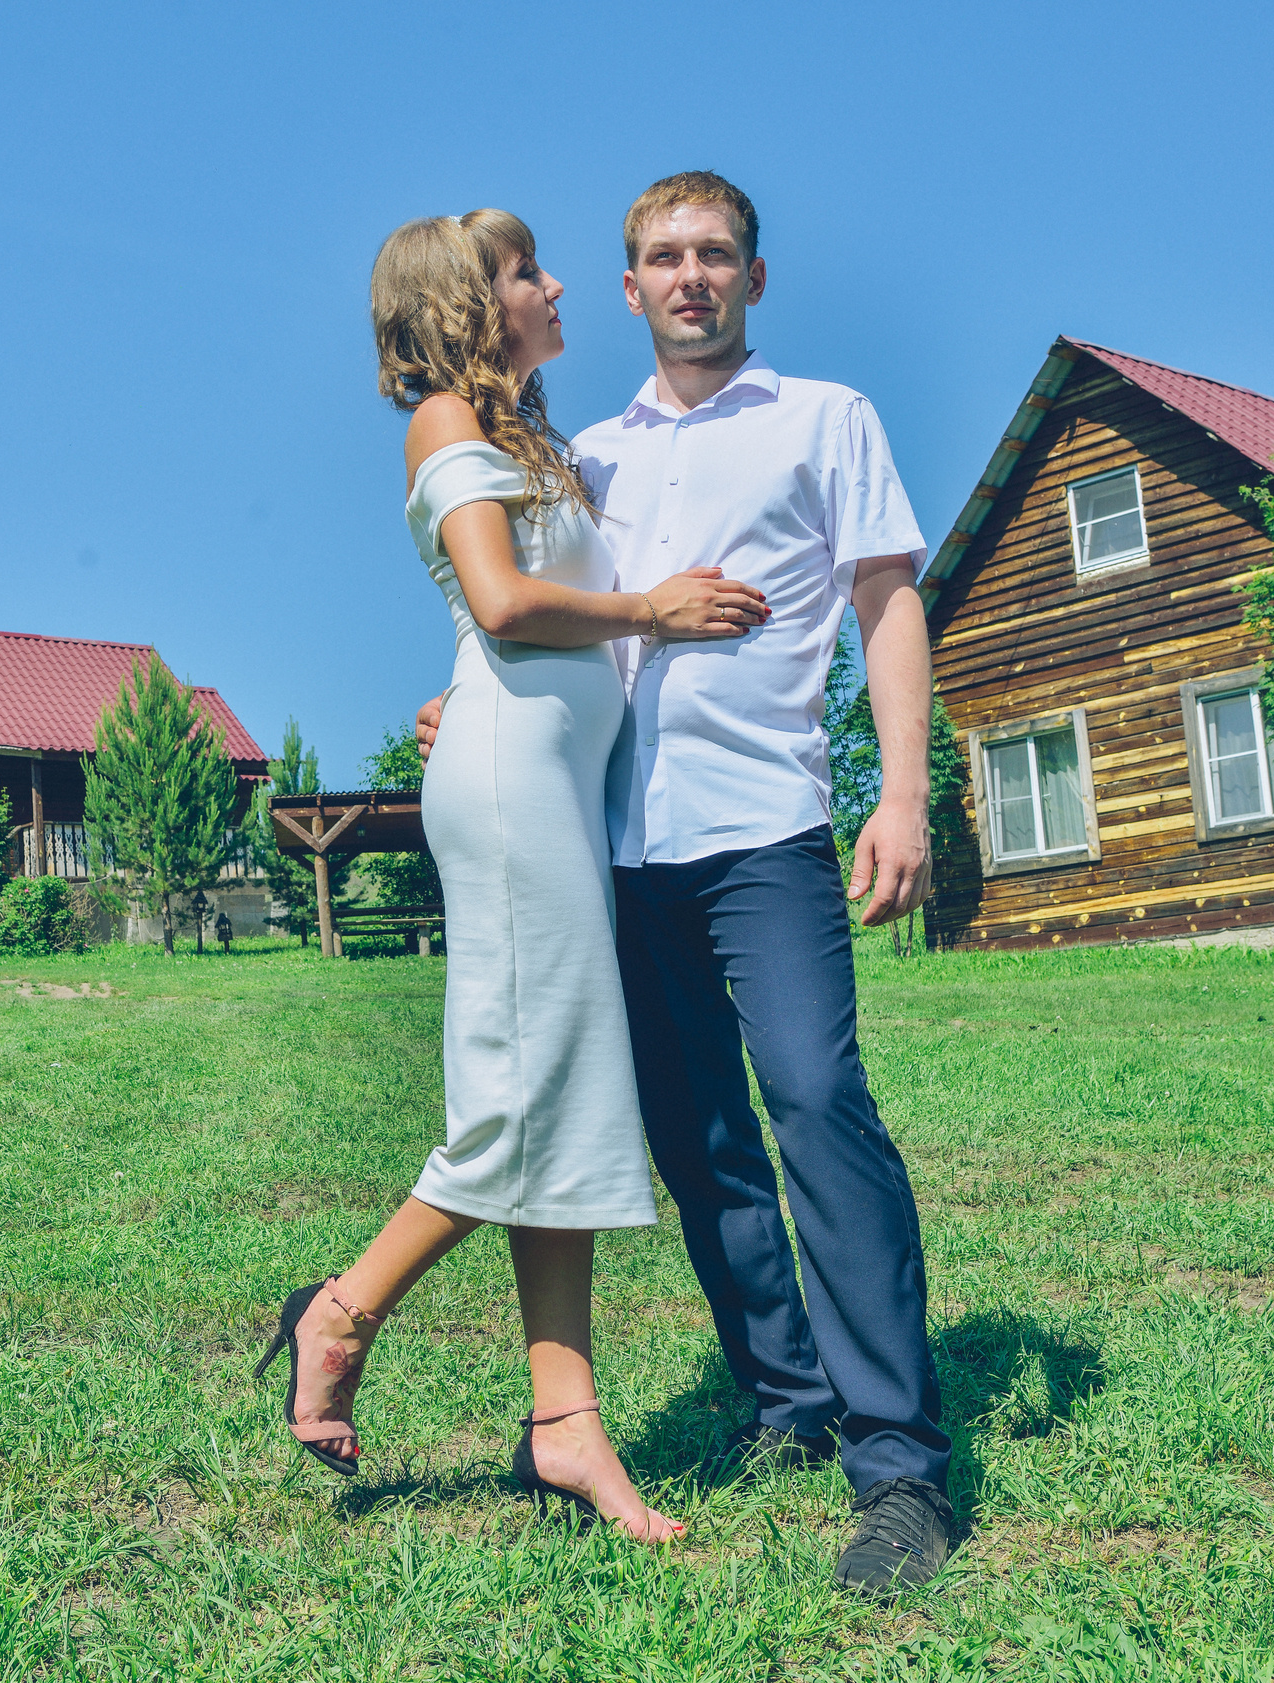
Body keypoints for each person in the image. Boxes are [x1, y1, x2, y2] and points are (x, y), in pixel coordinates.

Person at [415, 172, 955, 1595]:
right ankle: (785, 1400)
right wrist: (461, 705)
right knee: (695, 1132)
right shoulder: (583, 449)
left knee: (818, 1103)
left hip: (764, 829)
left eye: (715, 254)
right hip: (610, 844)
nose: (689, 275)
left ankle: (898, 1462)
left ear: (754, 280)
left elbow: (887, 602)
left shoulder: (824, 419)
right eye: (662, 256)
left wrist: (902, 791)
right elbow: (536, 603)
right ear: (636, 283)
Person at [254, 208, 773, 1546]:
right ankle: (342, 1310)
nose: (555, 289)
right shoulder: (446, 425)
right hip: (510, 793)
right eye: (529, 274)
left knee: (569, 1097)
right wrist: (651, 609)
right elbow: (497, 600)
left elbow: (510, 628)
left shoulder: (536, 445)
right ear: (474, 307)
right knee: (516, 1093)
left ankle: (565, 1425)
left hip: (550, 785)